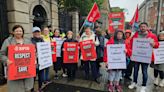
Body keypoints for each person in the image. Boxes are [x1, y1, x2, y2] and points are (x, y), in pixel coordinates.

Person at [0, 25, 34, 92]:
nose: (18, 32)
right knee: (16, 89)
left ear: (23, 32)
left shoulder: (27, 41)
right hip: (14, 70)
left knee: (27, 88)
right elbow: (2, 54)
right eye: (17, 31)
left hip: (27, 70)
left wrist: (34, 59)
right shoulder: (8, 41)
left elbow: (33, 52)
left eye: (20, 31)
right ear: (13, 32)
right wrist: (6, 60)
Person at [128, 22, 159, 92]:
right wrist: (131, 52)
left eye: (144, 26)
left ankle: (144, 85)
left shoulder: (152, 35)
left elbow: (157, 45)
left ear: (147, 27)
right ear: (139, 27)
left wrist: (153, 44)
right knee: (135, 71)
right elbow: (131, 43)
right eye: (141, 26)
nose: (143, 28)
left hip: (145, 57)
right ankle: (134, 82)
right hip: (136, 57)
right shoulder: (136, 35)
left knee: (144, 72)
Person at [30, 27, 44, 92]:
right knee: (33, 76)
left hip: (41, 61)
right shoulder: (30, 41)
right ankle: (32, 89)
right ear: (33, 33)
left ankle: (40, 88)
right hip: (33, 62)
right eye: (35, 32)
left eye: (38, 32)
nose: (37, 33)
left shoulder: (42, 40)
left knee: (41, 76)